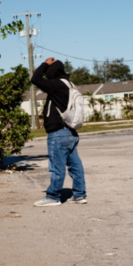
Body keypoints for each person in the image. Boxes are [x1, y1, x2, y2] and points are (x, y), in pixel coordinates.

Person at [31, 57, 87, 207]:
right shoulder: (70, 85)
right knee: (75, 166)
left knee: (56, 166)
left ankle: (53, 196)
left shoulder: (56, 84)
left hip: (59, 132)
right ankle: (80, 195)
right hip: (71, 132)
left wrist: (44, 64)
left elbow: (35, 79)